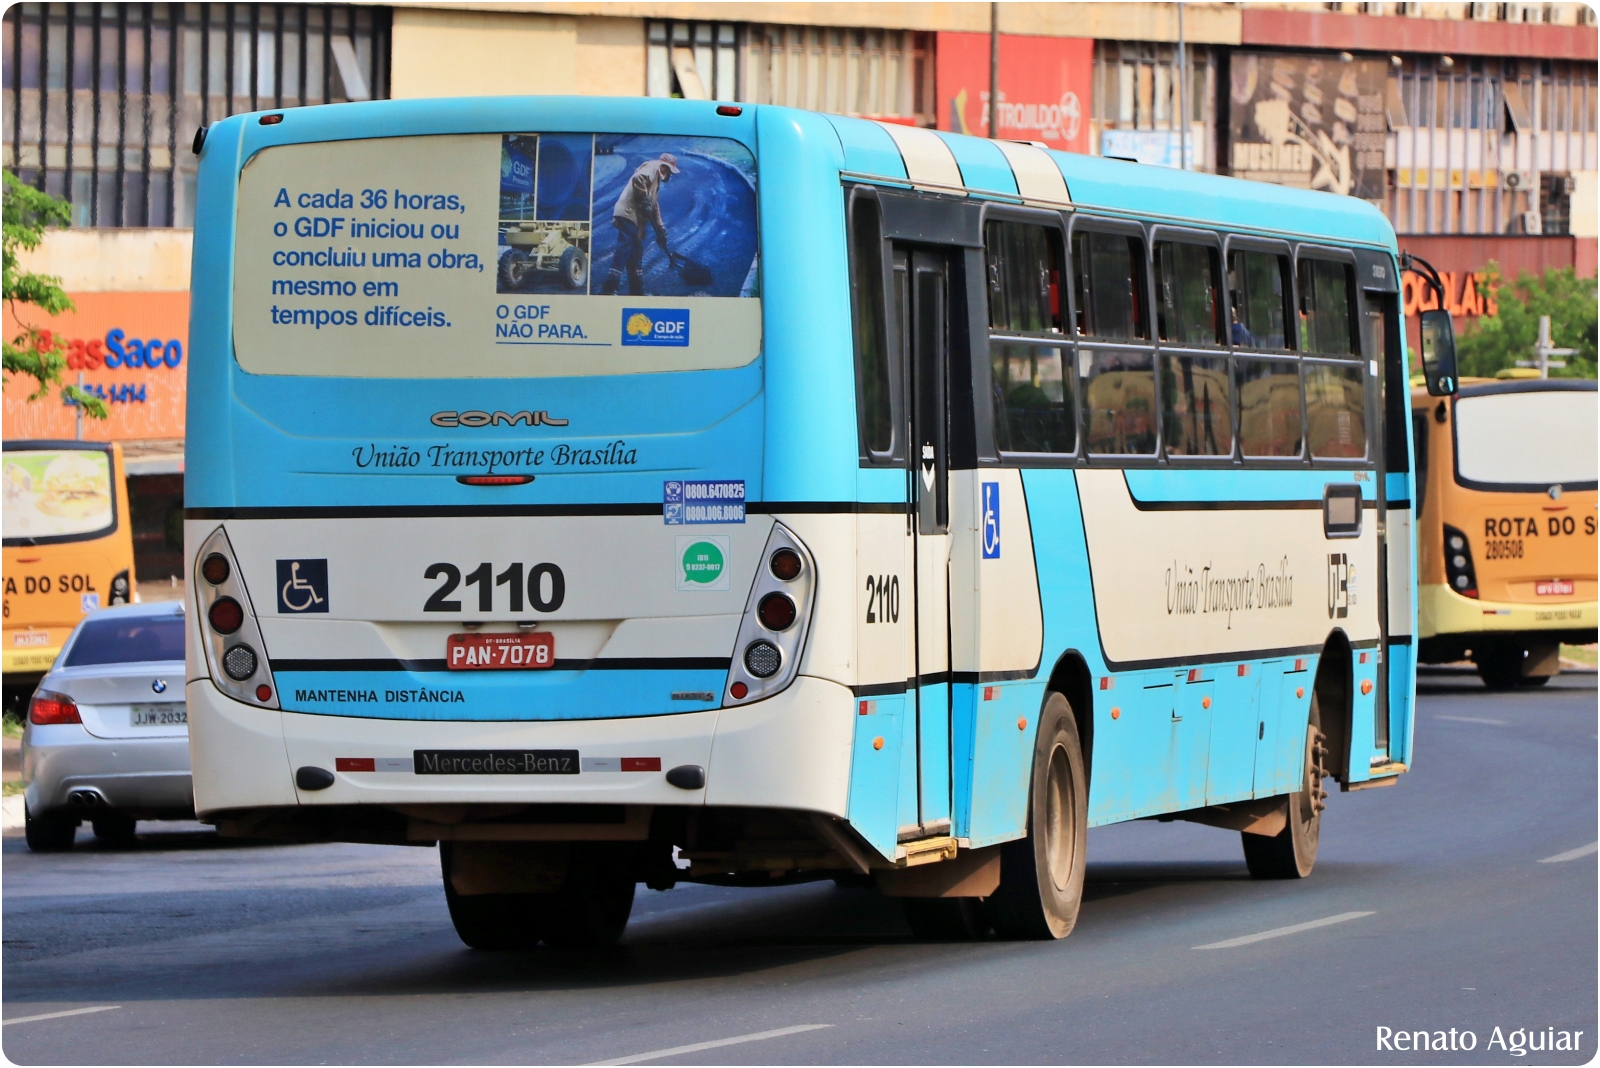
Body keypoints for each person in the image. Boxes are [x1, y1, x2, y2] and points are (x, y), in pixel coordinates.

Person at [599, 153, 679, 296]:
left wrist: (661, 228)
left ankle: (636, 291)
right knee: (625, 247)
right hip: (628, 212)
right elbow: (638, 178)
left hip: (634, 218)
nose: (670, 177)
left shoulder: (655, 183)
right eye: (670, 173)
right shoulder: (652, 167)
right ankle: (609, 289)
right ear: (666, 168)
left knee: (635, 252)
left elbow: (654, 207)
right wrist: (643, 198)